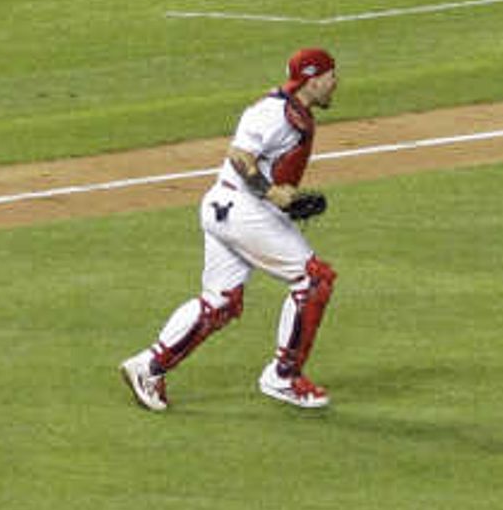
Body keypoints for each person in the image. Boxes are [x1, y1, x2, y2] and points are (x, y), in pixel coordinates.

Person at [121, 47, 342, 413]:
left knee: (220, 303)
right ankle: (283, 377)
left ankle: (148, 367)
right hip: (241, 209)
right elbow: (240, 157)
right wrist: (271, 193)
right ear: (313, 79)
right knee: (314, 280)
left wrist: (279, 201)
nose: (336, 83)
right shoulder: (272, 113)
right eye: (331, 76)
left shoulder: (295, 112)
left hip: (229, 209)